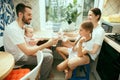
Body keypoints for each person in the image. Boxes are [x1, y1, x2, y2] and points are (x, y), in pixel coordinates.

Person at [3, 3, 58, 80]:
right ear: (20, 14)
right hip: (18, 58)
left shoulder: (21, 26)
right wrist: (47, 43)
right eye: (29, 15)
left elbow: (24, 42)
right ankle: (43, 77)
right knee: (48, 57)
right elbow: (28, 52)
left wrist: (35, 42)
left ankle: (44, 72)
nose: (31, 17)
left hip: (22, 52)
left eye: (31, 15)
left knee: (49, 52)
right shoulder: (13, 29)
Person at [56, 8, 105, 79]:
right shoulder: (87, 26)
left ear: (97, 16)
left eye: (90, 15)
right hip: (79, 50)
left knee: (69, 63)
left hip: (88, 55)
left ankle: (69, 64)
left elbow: (94, 51)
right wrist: (65, 35)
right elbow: (77, 35)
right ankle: (69, 64)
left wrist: (84, 49)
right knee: (61, 48)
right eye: (88, 15)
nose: (88, 17)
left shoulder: (100, 31)